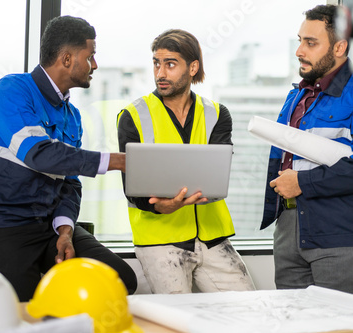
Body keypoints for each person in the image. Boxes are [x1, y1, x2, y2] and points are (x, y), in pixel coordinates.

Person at [0, 15, 137, 302]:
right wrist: (116, 161)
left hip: (46, 228)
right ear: (67, 59)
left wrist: (65, 232)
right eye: (90, 56)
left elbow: (70, 185)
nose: (95, 65)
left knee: (119, 281)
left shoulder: (72, 117)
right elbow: (38, 154)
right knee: (28, 307)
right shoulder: (12, 90)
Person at [117, 29, 255, 294]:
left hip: (212, 237)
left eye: (170, 64)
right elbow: (131, 189)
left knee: (247, 310)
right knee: (178, 321)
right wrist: (161, 207)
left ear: (193, 67)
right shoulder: (132, 116)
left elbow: (218, 171)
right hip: (160, 242)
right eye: (157, 63)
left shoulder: (216, 113)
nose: (160, 73)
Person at [261, 4, 353, 294]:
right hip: (289, 230)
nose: (299, 50)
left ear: (339, 47)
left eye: (310, 43)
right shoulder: (297, 95)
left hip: (336, 235)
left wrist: (301, 183)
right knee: (290, 323)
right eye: (300, 40)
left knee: (335, 325)